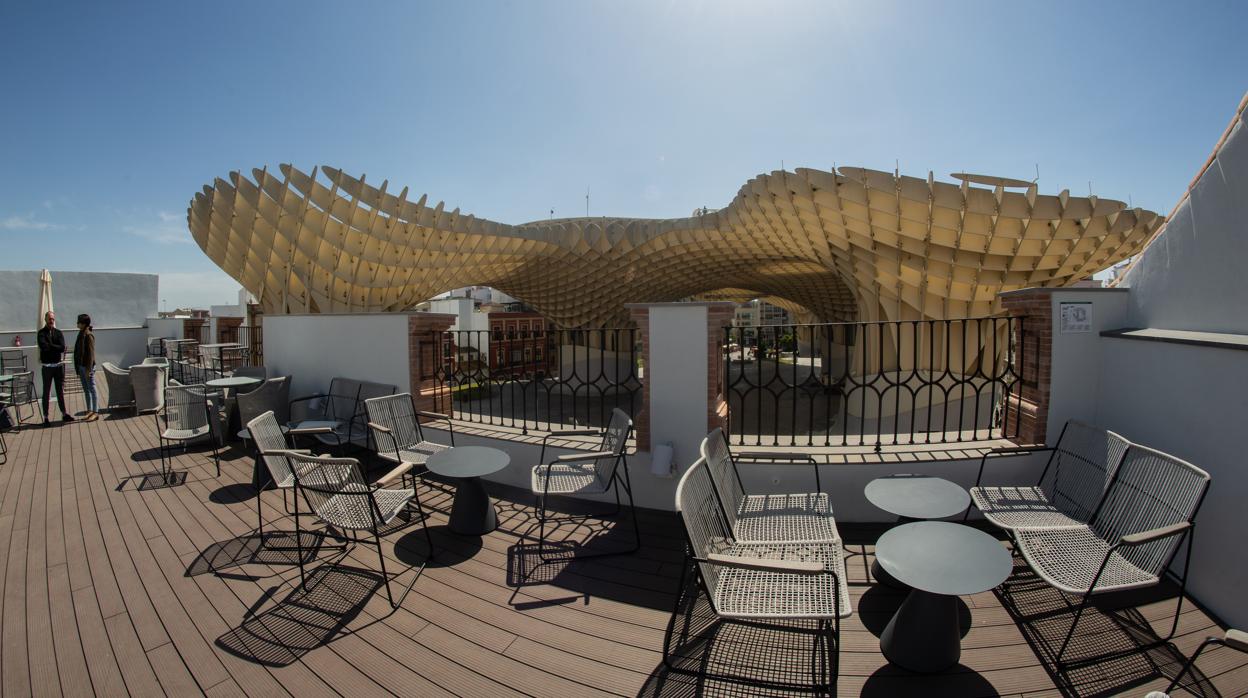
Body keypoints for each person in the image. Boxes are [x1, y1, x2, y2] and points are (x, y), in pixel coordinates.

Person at [37, 310, 73, 424]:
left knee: (60, 391)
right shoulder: (41, 333)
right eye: (49, 319)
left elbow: (62, 348)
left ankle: (64, 413)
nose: (51, 321)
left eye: (53, 319)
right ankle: (46, 417)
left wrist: (50, 346)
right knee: (46, 391)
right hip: (47, 367)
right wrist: (54, 347)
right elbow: (43, 347)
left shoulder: (58, 332)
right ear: (45, 319)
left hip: (58, 366)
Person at [74, 313, 99, 421]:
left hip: (87, 367)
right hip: (81, 366)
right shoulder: (81, 333)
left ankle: (95, 412)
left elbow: (91, 354)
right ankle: (89, 410)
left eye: (79, 322)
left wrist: (89, 369)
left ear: (84, 324)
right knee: (86, 389)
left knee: (92, 389)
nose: (77, 323)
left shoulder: (88, 335)